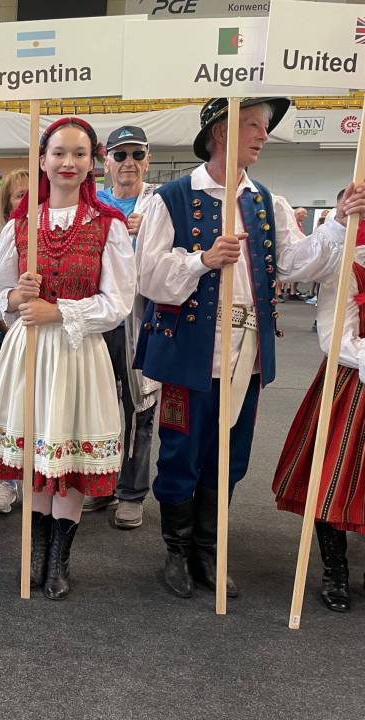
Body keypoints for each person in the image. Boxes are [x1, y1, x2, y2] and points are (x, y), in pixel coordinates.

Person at [134, 97, 365, 599]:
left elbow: (295, 263)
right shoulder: (171, 198)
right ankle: (176, 550)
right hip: (187, 353)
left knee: (230, 456)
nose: (264, 135)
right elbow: (148, 276)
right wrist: (201, 260)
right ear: (222, 131)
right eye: (255, 125)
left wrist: (337, 222)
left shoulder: (266, 201)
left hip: (247, 354)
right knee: (181, 453)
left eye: (264, 127)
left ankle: (208, 549)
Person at [0, 118, 134, 599]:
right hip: (29, 353)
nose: (68, 162)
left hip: (78, 353)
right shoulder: (21, 224)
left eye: (79, 154)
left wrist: (58, 310)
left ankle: (59, 559)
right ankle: (36, 552)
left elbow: (118, 303)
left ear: (92, 163)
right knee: (36, 452)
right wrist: (18, 297)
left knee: (70, 453)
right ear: (42, 160)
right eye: (59, 153)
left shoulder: (108, 225)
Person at [272, 225, 365, 613]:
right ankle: (335, 571)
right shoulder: (349, 261)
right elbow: (334, 336)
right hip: (354, 381)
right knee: (332, 478)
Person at [84, 125, 160, 530]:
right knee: (95, 402)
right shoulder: (92, 202)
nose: (128, 162)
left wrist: (147, 235)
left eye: (136, 154)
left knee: (139, 406)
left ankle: (131, 493)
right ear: (106, 161)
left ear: (147, 160)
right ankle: (102, 484)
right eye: (120, 155)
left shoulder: (159, 203)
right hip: (97, 313)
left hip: (141, 316)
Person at [0, 168, 28, 515]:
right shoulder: (1, 240)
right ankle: (8, 480)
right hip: (6, 337)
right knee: (8, 412)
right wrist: (10, 329)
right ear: (8, 204)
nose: (27, 201)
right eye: (20, 195)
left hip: (38, 338)